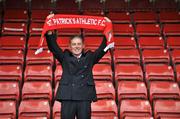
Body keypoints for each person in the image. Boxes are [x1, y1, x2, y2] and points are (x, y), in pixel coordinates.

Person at [45, 18, 110, 119]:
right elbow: (54, 47)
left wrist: (108, 28)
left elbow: (103, 49)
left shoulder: (90, 57)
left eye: (79, 44)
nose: (76, 46)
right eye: (74, 44)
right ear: (70, 46)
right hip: (68, 96)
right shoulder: (65, 57)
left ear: (83, 45)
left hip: (84, 97)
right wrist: (49, 31)